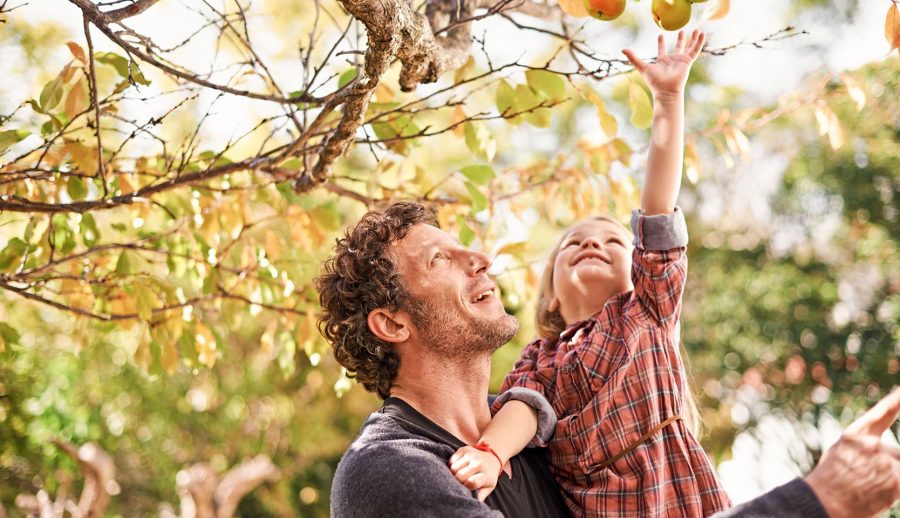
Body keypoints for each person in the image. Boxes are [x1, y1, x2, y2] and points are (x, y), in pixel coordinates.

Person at [317, 199, 900, 517]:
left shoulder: (551, 442)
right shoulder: (388, 470)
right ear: (393, 322)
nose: (480, 256)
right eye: (439, 260)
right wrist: (816, 501)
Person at [448, 29, 730, 517]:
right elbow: (523, 407)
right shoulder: (542, 359)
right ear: (550, 297)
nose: (591, 243)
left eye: (612, 240)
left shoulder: (645, 313)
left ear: (637, 272)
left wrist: (667, 101)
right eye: (572, 244)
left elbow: (658, 214)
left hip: (680, 500)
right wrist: (491, 453)